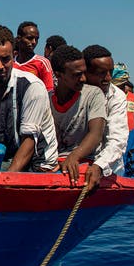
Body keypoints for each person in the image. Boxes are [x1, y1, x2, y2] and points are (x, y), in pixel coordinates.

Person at [0, 27, 58, 172]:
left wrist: (8, 178)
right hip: (7, 157)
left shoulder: (31, 86)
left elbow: (29, 140)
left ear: (13, 56)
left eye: (5, 59)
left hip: (38, 161)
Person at [49, 45, 106, 192]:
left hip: (84, 161)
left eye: (84, 73)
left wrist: (74, 157)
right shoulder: (46, 98)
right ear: (59, 74)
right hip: (53, 163)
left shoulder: (93, 94)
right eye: (77, 75)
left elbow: (96, 134)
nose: (83, 78)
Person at [83, 45, 129, 179]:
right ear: (85, 72)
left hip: (107, 171)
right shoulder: (73, 92)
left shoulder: (116, 96)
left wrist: (98, 166)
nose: (108, 78)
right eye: (102, 73)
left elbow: (117, 140)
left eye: (111, 71)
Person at [13, 21, 55, 91]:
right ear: (19, 38)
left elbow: (49, 91)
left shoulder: (42, 63)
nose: (34, 42)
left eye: (36, 39)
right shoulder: (10, 63)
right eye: (30, 38)